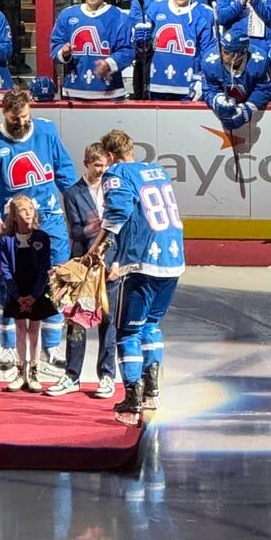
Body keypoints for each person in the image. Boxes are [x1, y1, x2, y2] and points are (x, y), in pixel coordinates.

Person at [0, 87, 77, 383]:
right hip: (11, 225)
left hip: (49, 222)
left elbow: (64, 170)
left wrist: (78, 205)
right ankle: (7, 349)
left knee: (57, 280)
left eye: (25, 116)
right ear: (4, 114)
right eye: (15, 118)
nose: (22, 122)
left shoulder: (46, 130)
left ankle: (51, 346)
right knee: (5, 285)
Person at [85, 128, 185, 426]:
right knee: (151, 325)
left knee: (127, 331)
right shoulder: (156, 170)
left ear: (111, 156)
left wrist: (96, 248)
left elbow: (118, 213)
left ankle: (131, 397)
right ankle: (152, 389)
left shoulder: (117, 173)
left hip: (141, 261)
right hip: (173, 258)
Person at [46, 142, 119, 400]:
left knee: (108, 322)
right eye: (97, 165)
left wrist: (116, 261)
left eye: (104, 165)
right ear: (86, 163)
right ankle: (72, 375)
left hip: (110, 267)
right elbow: (76, 231)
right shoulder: (73, 193)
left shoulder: (114, 188)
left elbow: (122, 226)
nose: (101, 170)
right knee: (76, 320)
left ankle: (107, 375)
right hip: (83, 268)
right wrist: (96, 227)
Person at [0, 195, 55, 393]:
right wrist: (17, 295)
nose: (28, 213)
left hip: (36, 290)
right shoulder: (7, 240)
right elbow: (5, 268)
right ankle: (20, 372)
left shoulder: (42, 238)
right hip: (17, 290)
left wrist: (34, 296)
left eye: (30, 209)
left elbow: (44, 269)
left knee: (35, 330)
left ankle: (35, 372)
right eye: (23, 210)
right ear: (14, 216)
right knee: (20, 330)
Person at [51, 0, 134, 100]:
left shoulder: (119, 16)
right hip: (73, 92)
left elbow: (127, 50)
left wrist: (109, 63)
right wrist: (63, 52)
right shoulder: (67, 15)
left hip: (110, 93)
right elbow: (55, 44)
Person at [136, 0, 213, 99]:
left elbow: (209, 51)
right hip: (157, 84)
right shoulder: (156, 8)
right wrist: (141, 43)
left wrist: (202, 77)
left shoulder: (204, 13)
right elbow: (144, 51)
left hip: (189, 85)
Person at [200, 28, 271, 129]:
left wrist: (248, 108)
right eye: (220, 48)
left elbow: (264, 89)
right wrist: (217, 100)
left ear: (240, 53)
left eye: (226, 52)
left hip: (250, 106)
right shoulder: (210, 61)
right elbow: (209, 88)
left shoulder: (259, 61)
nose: (220, 54)